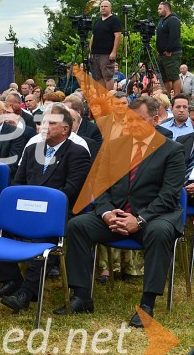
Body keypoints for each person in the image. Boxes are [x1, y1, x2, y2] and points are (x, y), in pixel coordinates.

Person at [56, 96, 185, 328]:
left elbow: (169, 195)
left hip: (153, 217)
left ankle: (147, 304)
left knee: (159, 232)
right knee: (77, 225)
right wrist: (106, 213)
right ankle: (82, 296)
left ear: (155, 120)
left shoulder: (172, 151)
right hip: (116, 217)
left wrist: (139, 220)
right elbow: (100, 184)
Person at [0, 104, 92, 311]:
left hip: (58, 214)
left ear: (66, 129)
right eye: (43, 122)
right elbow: (17, 184)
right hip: (27, 209)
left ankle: (27, 292)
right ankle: (12, 279)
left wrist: (39, 205)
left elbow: (70, 191)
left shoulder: (77, 153)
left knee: (42, 234)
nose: (44, 127)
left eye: (51, 123)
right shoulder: (32, 149)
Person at [88, 0, 122, 91]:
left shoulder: (114, 20)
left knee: (107, 76)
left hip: (107, 53)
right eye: (101, 6)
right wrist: (90, 51)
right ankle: (103, 96)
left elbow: (118, 36)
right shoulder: (98, 21)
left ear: (110, 8)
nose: (103, 8)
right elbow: (93, 36)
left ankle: (109, 95)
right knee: (98, 77)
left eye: (105, 6)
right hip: (95, 53)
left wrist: (114, 52)